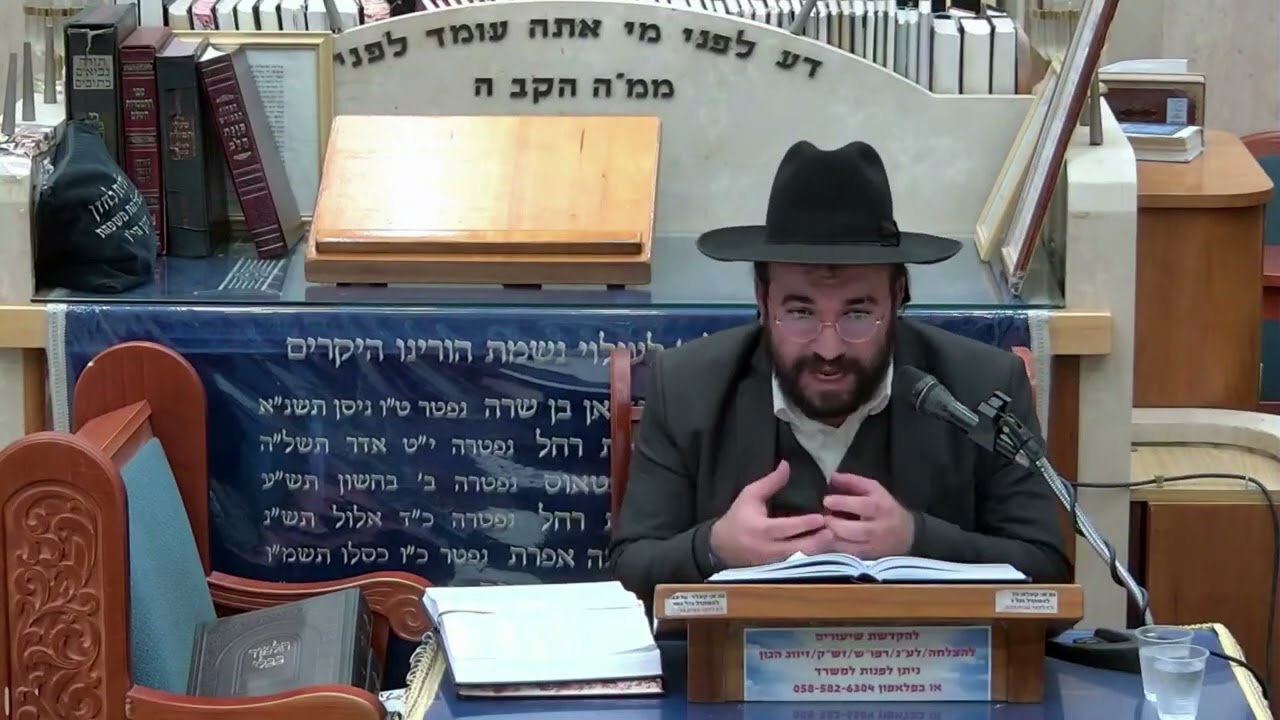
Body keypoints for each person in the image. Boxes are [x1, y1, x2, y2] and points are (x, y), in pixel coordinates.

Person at [608, 140, 1072, 605]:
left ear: (898, 296)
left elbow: (1047, 579)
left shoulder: (981, 389)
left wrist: (919, 540)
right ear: (762, 298)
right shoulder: (688, 388)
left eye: (857, 314)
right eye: (800, 312)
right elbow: (631, 568)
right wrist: (713, 548)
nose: (828, 348)